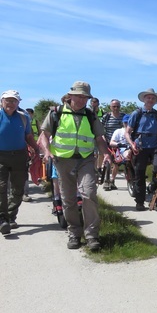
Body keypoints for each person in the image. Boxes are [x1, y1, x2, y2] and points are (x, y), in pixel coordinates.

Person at [38, 81, 113, 251]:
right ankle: (74, 233)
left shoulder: (91, 115)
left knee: (89, 194)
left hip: (86, 159)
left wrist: (106, 153)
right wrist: (47, 151)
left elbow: (99, 139)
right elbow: (44, 135)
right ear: (70, 96)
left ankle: (92, 235)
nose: (82, 100)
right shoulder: (56, 113)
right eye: (79, 96)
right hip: (63, 161)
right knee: (68, 199)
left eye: (85, 97)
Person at [0, 90, 39, 234]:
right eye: (8, 100)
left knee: (18, 188)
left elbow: (28, 135)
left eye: (14, 100)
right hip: (1, 156)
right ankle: (2, 218)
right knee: (1, 187)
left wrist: (36, 148)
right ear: (1, 101)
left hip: (19, 156)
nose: (10, 103)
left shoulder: (24, 117)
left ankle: (10, 216)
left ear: (18, 103)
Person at [125, 88, 157, 211]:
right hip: (140, 146)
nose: (150, 99)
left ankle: (156, 200)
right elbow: (128, 132)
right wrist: (132, 144)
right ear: (144, 99)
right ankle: (139, 202)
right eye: (148, 97)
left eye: (153, 98)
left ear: (155, 101)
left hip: (155, 145)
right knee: (139, 174)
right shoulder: (136, 114)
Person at [101, 99, 124, 190]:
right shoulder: (106, 117)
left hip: (119, 143)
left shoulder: (124, 116)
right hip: (107, 142)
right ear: (110, 107)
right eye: (114, 106)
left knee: (117, 162)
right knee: (108, 161)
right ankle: (106, 181)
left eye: (118, 106)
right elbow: (100, 128)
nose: (116, 108)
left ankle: (112, 181)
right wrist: (102, 138)